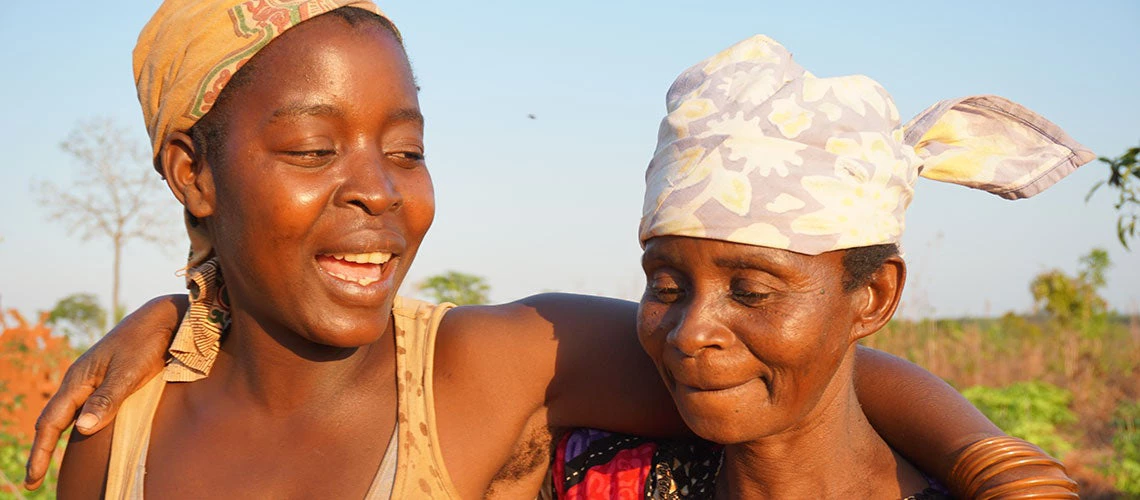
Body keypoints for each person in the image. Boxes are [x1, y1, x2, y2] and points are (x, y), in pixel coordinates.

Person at [30, 2, 1071, 498]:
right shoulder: (112, 445)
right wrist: (180, 312)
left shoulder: (492, 367)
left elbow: (809, 373)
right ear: (193, 175)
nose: (377, 188)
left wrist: (1003, 466)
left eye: (406, 147)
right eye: (311, 145)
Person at [550, 35, 1091, 499]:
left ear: (873, 296)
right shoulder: (592, 472)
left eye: (752, 292)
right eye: (667, 287)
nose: (691, 334)